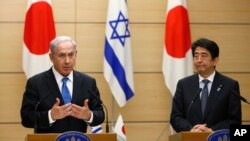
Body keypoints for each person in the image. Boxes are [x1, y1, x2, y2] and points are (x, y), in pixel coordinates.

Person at [20, 36, 105, 133]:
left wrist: (89, 115)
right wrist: (50, 115)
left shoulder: (88, 82)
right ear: (51, 57)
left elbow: (100, 114)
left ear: (76, 54)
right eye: (62, 55)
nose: (67, 61)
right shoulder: (36, 83)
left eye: (71, 55)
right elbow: (26, 118)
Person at [170, 38, 242, 132]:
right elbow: (175, 117)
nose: (199, 60)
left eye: (204, 56)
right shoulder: (183, 85)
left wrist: (212, 130)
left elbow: (235, 120)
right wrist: (191, 129)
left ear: (215, 60)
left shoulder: (229, 85)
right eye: (196, 56)